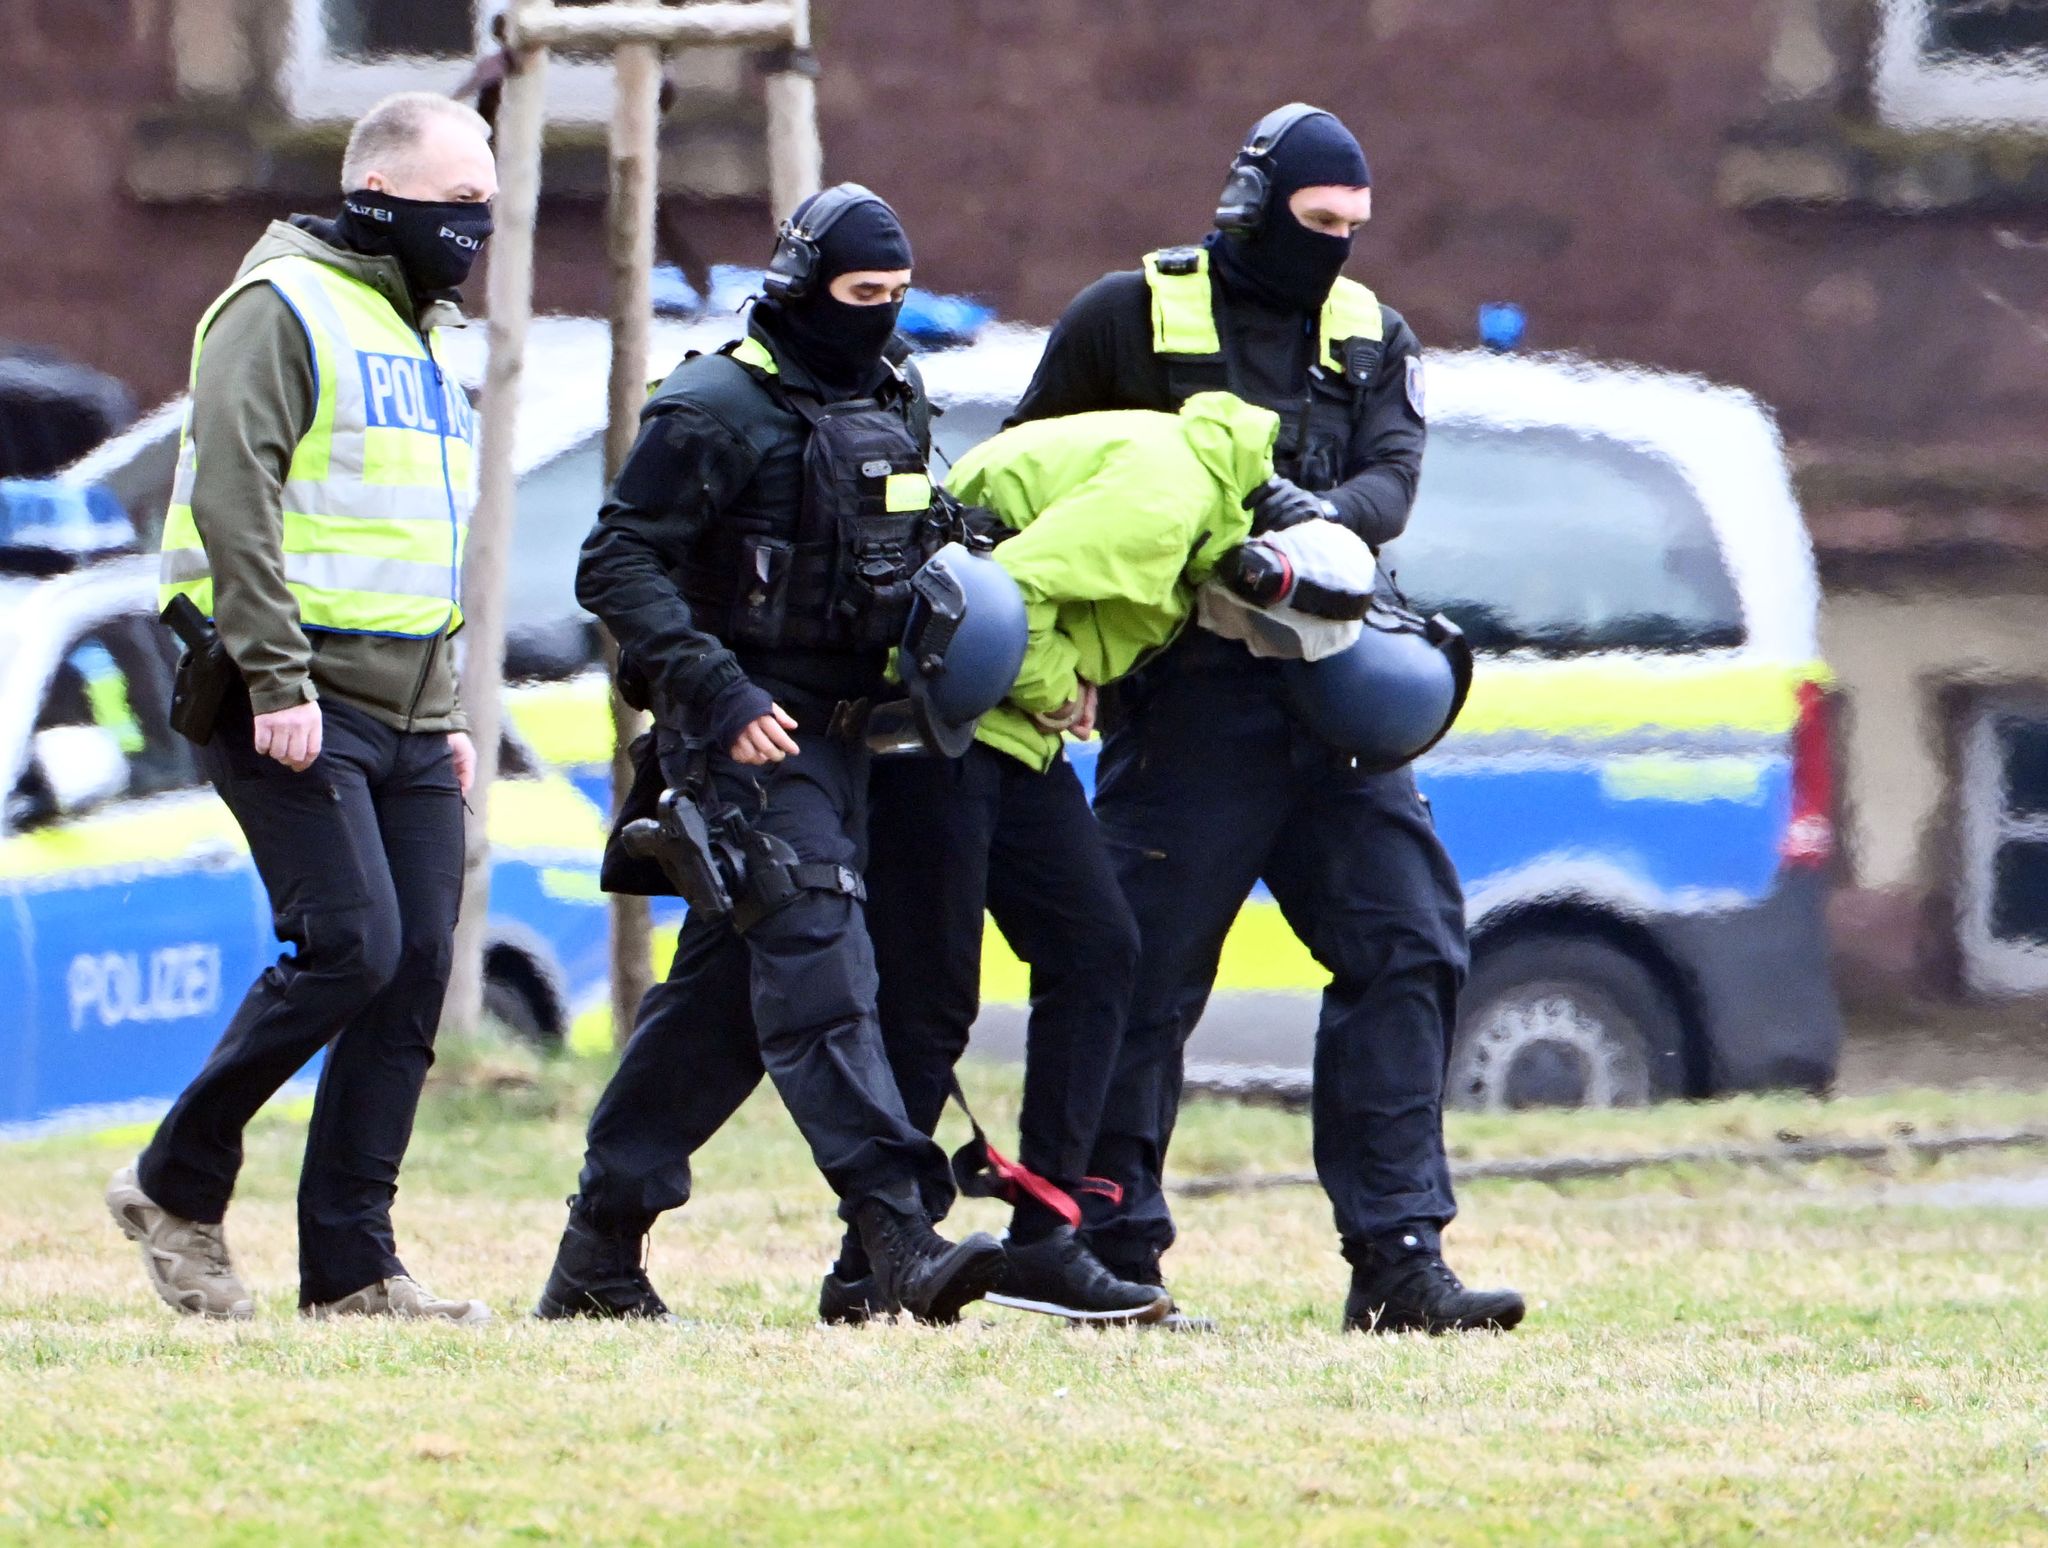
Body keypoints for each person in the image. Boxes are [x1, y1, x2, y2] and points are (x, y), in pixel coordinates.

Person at [1009, 103, 1525, 1334]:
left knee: (1407, 945)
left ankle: (1398, 1256)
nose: (1332, 250)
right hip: (1184, 701)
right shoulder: (1125, 316)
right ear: (1251, 205)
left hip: (1333, 700)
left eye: (1352, 228)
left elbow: (1387, 488)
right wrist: (1064, 647)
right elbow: (1030, 477)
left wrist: (1292, 532)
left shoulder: (1372, 336)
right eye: (1313, 224)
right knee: (1141, 975)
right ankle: (1106, 1240)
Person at [534, 185, 1007, 1327]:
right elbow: (615, 565)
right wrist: (717, 686)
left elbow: (915, 543)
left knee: (722, 1008)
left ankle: (600, 1247)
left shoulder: (896, 395)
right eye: (859, 297)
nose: (880, 319)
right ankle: (894, 1229)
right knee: (815, 960)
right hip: (742, 733)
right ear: (801, 288)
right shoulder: (710, 408)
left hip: (863, 737)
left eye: (897, 299)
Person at [106, 92, 498, 1324]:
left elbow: (417, 547)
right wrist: (276, 682)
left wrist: (446, 713)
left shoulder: (424, 331)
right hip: (287, 697)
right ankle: (176, 1184)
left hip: (407, 709)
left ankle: (354, 1269)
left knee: (416, 965)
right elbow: (235, 505)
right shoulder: (278, 310)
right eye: (460, 206)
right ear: (377, 196)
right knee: (349, 945)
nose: (477, 230)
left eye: (490, 207)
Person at [827, 392, 1286, 1328]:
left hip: (1010, 736)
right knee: (933, 997)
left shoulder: (1203, 514)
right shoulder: (1166, 506)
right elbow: (1013, 588)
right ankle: (874, 1263)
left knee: (1097, 947)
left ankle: (1044, 1238)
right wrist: (1054, 688)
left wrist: (1055, 694)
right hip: (953, 719)